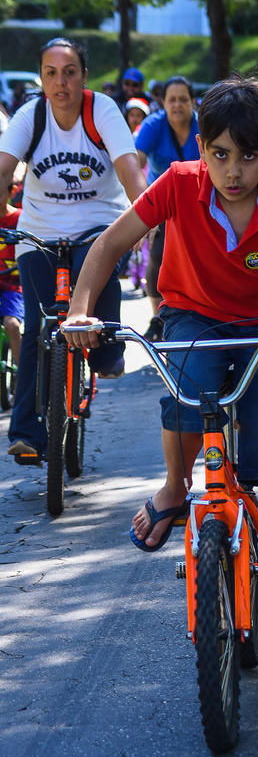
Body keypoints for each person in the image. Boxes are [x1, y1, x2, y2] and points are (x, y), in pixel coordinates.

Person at [63, 74, 258, 644]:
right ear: (201, 149)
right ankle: (176, 487)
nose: (233, 172)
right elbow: (110, 245)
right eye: (220, 155)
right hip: (193, 317)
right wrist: (79, 308)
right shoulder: (176, 183)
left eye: (249, 157)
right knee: (187, 396)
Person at [0, 37, 147, 464]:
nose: (60, 82)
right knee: (37, 325)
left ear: (84, 76)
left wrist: (146, 216)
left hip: (99, 225)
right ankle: (27, 433)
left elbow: (128, 170)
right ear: (41, 78)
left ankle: (105, 348)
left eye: (69, 72)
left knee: (96, 270)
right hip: (39, 230)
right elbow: (4, 168)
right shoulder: (31, 115)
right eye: (51, 73)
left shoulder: (102, 111)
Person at [134, 75, 200, 341]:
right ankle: (158, 318)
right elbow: (135, 164)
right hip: (161, 204)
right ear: (163, 102)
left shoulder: (203, 125)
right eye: (171, 100)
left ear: (192, 102)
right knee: (158, 263)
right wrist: (141, 209)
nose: (177, 105)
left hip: (199, 204)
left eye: (183, 99)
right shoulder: (152, 126)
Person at [0, 188, 23, 365]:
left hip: (15, 285)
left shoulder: (21, 218)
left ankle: (24, 376)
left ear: (10, 192)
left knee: (12, 325)